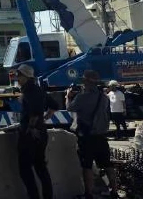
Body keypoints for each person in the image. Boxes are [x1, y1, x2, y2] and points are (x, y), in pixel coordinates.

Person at [67, 70, 117, 199]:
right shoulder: (104, 98)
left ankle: (88, 194)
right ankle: (114, 191)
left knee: (87, 166)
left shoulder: (82, 97)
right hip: (101, 136)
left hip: (87, 137)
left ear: (86, 83)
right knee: (107, 165)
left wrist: (68, 96)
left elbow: (70, 108)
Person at [15, 63, 56, 199]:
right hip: (41, 132)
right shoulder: (38, 90)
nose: (17, 78)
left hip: (30, 134)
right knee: (40, 166)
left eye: (19, 75)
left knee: (25, 168)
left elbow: (35, 112)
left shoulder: (29, 91)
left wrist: (32, 128)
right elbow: (54, 105)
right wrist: (47, 116)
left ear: (26, 77)